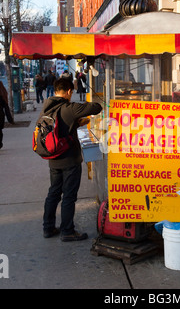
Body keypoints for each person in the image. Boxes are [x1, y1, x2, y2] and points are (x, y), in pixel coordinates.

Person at [41, 77, 102, 242]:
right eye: (71, 92)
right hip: (69, 160)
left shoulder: (46, 108)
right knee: (68, 195)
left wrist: (75, 124)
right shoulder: (69, 107)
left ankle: (48, 227)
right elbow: (96, 107)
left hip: (53, 158)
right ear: (68, 91)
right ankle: (67, 230)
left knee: (53, 193)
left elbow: (58, 128)